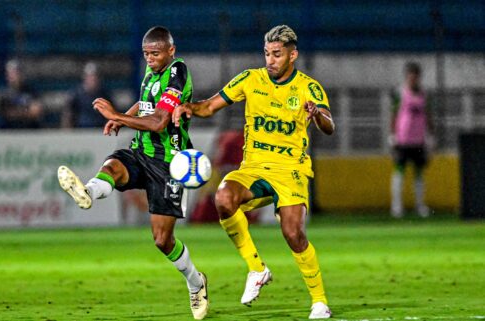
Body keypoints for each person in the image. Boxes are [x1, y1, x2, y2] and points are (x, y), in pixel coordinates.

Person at [173, 25, 334, 319]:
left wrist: (317, 115)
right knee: (223, 198)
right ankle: (257, 269)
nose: (270, 60)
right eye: (267, 54)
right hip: (254, 168)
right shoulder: (251, 79)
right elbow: (210, 107)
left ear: (292, 55)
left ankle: (319, 302)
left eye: (277, 54)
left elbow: (329, 125)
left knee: (293, 233)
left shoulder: (308, 87)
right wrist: (189, 108)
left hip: (291, 171)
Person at [56, 26, 208, 320]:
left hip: (169, 165)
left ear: (171, 51)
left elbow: (160, 121)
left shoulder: (177, 72)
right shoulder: (152, 74)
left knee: (162, 240)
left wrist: (117, 116)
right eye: (146, 54)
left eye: (155, 53)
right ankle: (88, 192)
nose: (150, 59)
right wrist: (125, 116)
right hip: (141, 153)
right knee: (113, 165)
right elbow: (147, 104)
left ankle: (195, 281)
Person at [389, 62, 433, 218]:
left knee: (419, 173)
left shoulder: (424, 94)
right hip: (402, 139)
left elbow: (428, 115)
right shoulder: (399, 93)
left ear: (419, 77)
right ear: (407, 76)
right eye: (410, 76)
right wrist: (392, 135)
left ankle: (420, 205)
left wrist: (430, 135)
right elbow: (393, 114)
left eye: (416, 76)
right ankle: (396, 207)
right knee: (399, 172)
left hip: (419, 139)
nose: (413, 79)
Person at [0, 59, 43, 129]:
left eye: (17, 72)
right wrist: (26, 111)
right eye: (11, 73)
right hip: (9, 131)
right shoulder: (2, 94)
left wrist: (12, 112)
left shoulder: (31, 91)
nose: (15, 75)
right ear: (7, 75)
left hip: (28, 130)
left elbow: (36, 111)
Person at [62, 62, 110, 128]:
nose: (93, 79)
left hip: (100, 130)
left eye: (95, 76)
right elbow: (68, 115)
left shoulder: (104, 94)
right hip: (81, 131)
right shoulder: (76, 94)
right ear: (85, 77)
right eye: (90, 77)